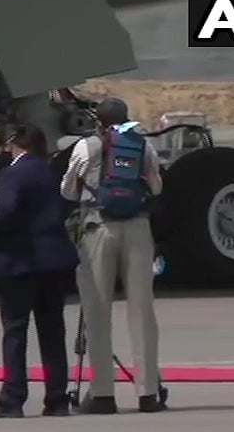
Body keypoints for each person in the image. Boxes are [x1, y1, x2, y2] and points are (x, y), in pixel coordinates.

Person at [60, 98, 165, 414]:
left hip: (98, 226)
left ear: (99, 121)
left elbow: (67, 190)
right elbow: (156, 188)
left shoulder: (86, 146)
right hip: (137, 228)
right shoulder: (142, 146)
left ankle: (103, 393)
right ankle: (148, 393)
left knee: (97, 309)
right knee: (142, 310)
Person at [0, 123, 78, 418]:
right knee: (52, 332)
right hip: (53, 262)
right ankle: (57, 398)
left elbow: (7, 210)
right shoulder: (50, 170)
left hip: (20, 262)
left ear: (13, 144)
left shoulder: (13, 173)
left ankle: (13, 398)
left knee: (15, 332)